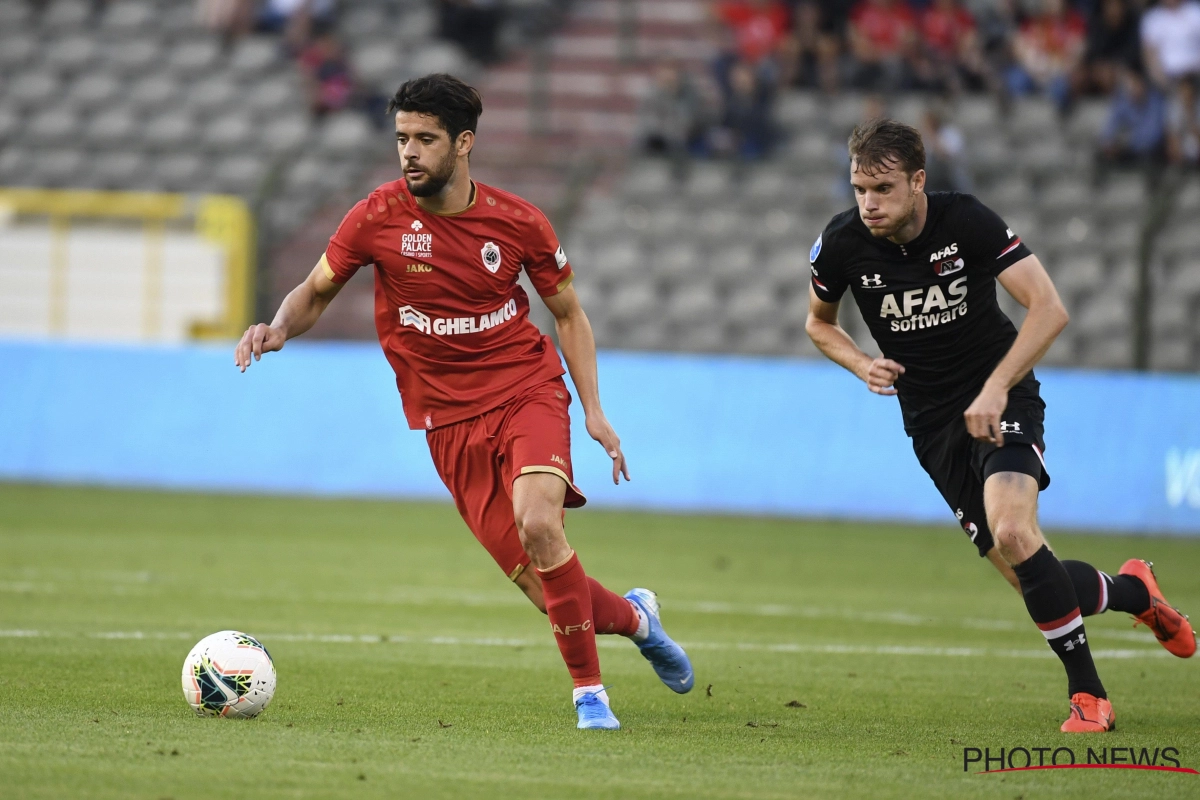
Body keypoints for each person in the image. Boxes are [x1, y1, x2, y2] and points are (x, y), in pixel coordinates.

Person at [233, 74, 695, 730]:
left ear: (464, 143)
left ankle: (590, 695)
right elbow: (314, 290)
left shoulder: (518, 223)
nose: (409, 152)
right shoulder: (375, 217)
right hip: (446, 420)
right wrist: (277, 328)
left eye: (425, 139)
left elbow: (568, 314)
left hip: (524, 390)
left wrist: (592, 409)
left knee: (541, 525)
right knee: (543, 587)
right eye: (401, 139)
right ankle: (638, 619)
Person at [804, 118, 1195, 733]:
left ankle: (1089, 696)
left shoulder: (967, 223)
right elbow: (818, 323)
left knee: (1013, 529)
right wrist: (860, 362)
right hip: (932, 425)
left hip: (1002, 396)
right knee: (1030, 578)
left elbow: (1049, 308)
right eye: (859, 189)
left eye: (882, 188)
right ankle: (1133, 593)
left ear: (918, 181)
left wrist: (995, 386)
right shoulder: (842, 244)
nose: (868, 203)